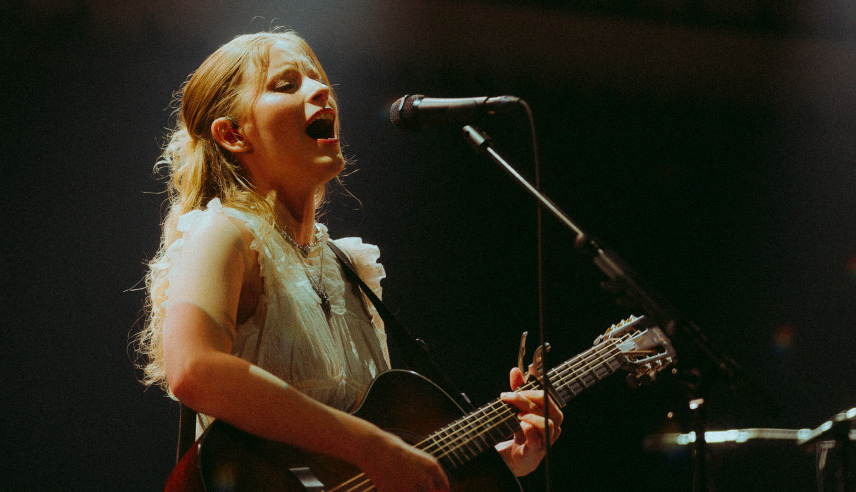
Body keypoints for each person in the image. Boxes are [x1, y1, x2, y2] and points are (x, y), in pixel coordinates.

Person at [136, 30, 563, 492]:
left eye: (318, 78)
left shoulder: (350, 267)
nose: (320, 90)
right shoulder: (225, 232)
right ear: (233, 134)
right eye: (286, 85)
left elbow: (355, 476)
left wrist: (503, 460)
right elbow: (195, 370)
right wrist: (370, 446)